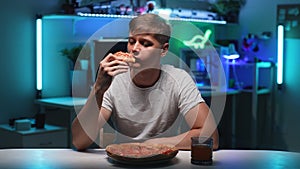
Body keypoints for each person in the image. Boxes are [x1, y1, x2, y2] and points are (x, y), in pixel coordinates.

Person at [72, 13, 219, 151]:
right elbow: (79, 141)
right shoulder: (115, 79)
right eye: (131, 41)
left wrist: (153, 144)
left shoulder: (178, 79)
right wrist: (98, 88)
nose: (135, 49)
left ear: (163, 49)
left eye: (145, 43)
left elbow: (211, 137)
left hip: (165, 158)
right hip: (123, 160)